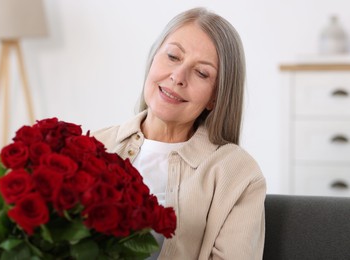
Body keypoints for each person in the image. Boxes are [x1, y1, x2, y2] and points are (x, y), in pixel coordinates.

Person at [93, 7, 266, 260]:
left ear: (215, 98)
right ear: (153, 58)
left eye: (202, 73)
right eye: (173, 56)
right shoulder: (93, 145)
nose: (178, 76)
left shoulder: (238, 173)